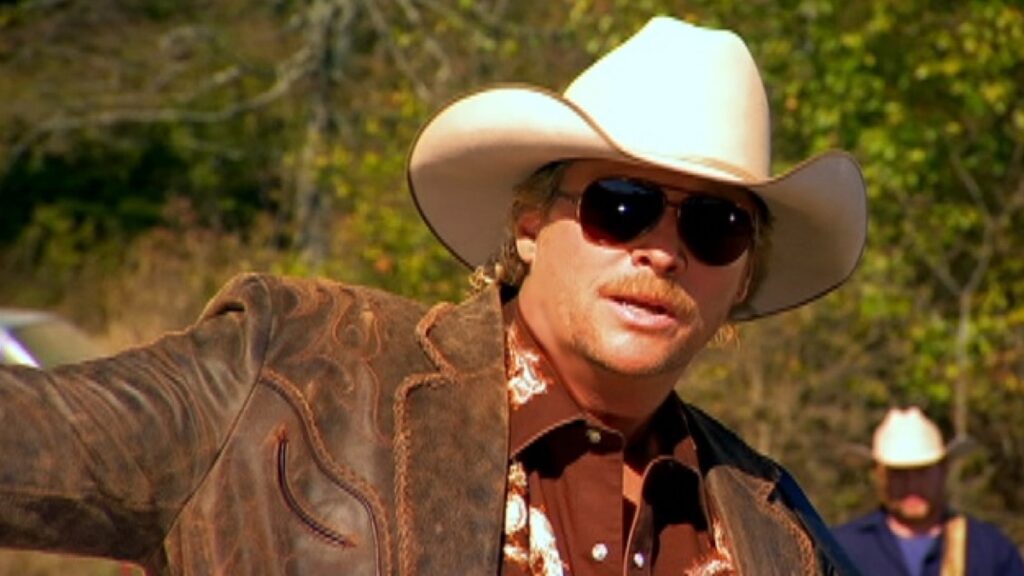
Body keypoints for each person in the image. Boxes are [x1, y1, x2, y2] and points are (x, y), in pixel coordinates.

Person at [0, 16, 868, 575]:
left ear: (742, 276)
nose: (663, 251)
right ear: (529, 224)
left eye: (715, 225)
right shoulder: (291, 373)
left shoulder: (779, 531)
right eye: (621, 204)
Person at [833, 406, 1024, 576]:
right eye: (899, 474)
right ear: (879, 476)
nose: (911, 484)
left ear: (943, 470)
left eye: (922, 472)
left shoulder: (990, 551)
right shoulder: (842, 549)